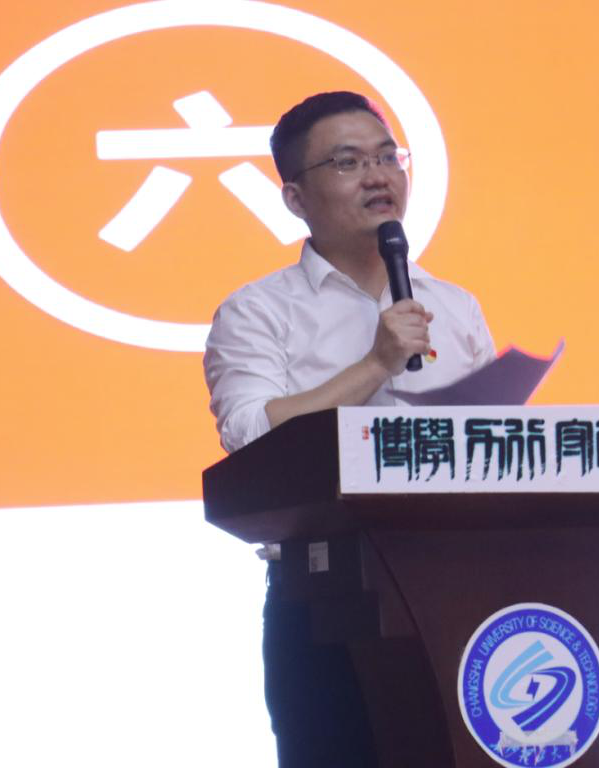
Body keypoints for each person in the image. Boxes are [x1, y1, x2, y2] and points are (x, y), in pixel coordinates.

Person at [203, 91, 495, 767]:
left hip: (462, 584)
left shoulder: (454, 306)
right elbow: (250, 439)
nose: (377, 176)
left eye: (387, 157)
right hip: (325, 595)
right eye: (347, 162)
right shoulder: (258, 312)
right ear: (295, 198)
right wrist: (376, 365)